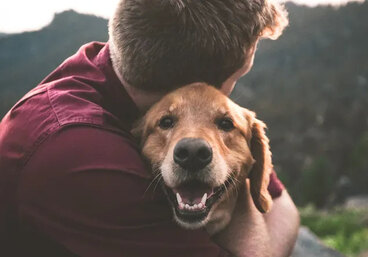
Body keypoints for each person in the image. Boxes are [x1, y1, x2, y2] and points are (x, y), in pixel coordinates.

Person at [0, 0, 299, 256]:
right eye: (240, 74)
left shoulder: (119, 69)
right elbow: (275, 216)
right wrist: (243, 200)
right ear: (197, 83)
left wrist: (241, 184)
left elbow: (282, 204)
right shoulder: (78, 154)